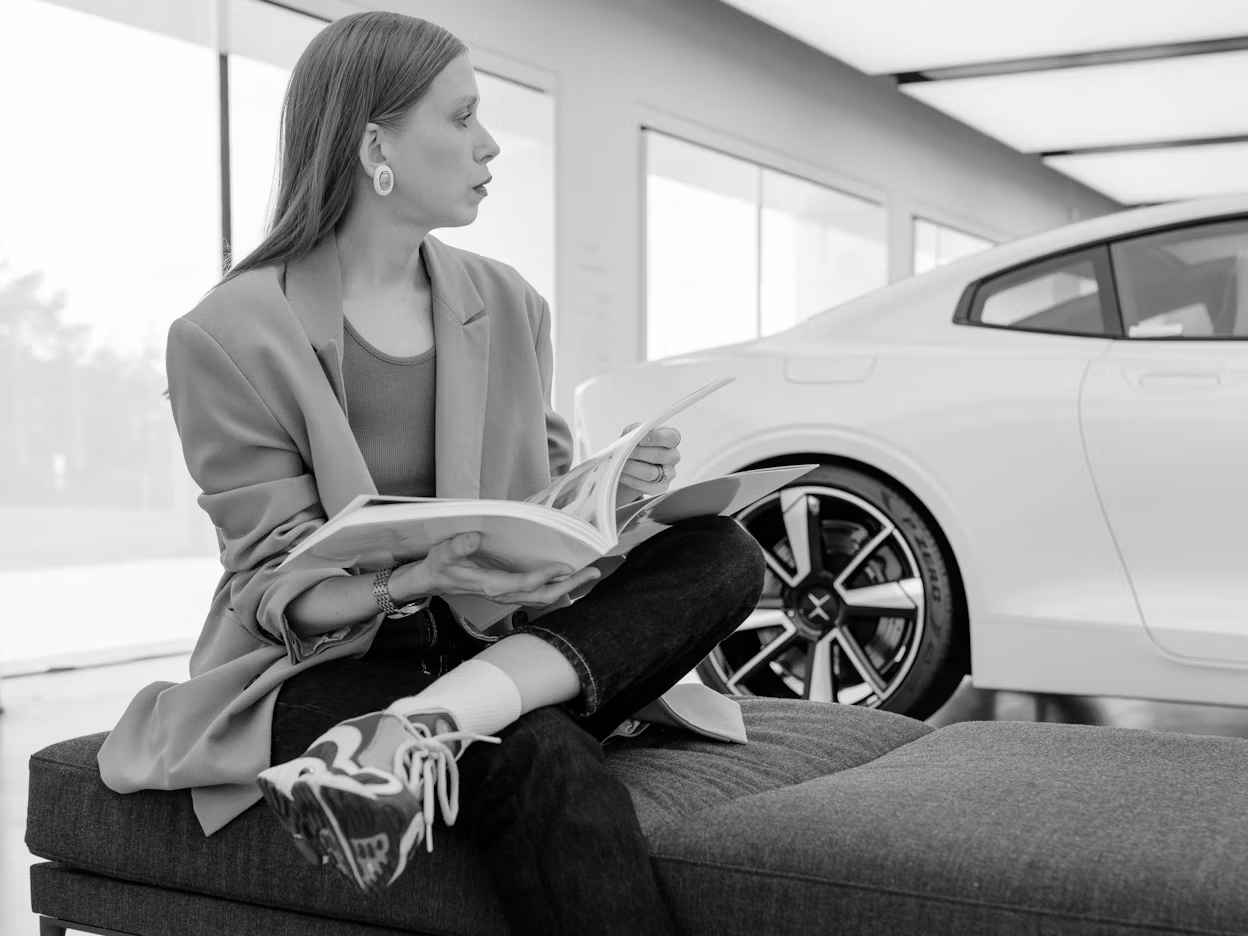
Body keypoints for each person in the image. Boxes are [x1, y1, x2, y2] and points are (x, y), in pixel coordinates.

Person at [97, 11, 764, 935]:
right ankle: (435, 718)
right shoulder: (228, 333)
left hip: (506, 633)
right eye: (461, 118)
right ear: (377, 143)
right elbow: (267, 584)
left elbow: (545, 499)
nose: (490, 145)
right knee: (543, 760)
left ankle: (426, 726)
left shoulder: (506, 300)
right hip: (334, 660)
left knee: (722, 550)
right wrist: (417, 578)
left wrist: (621, 492)